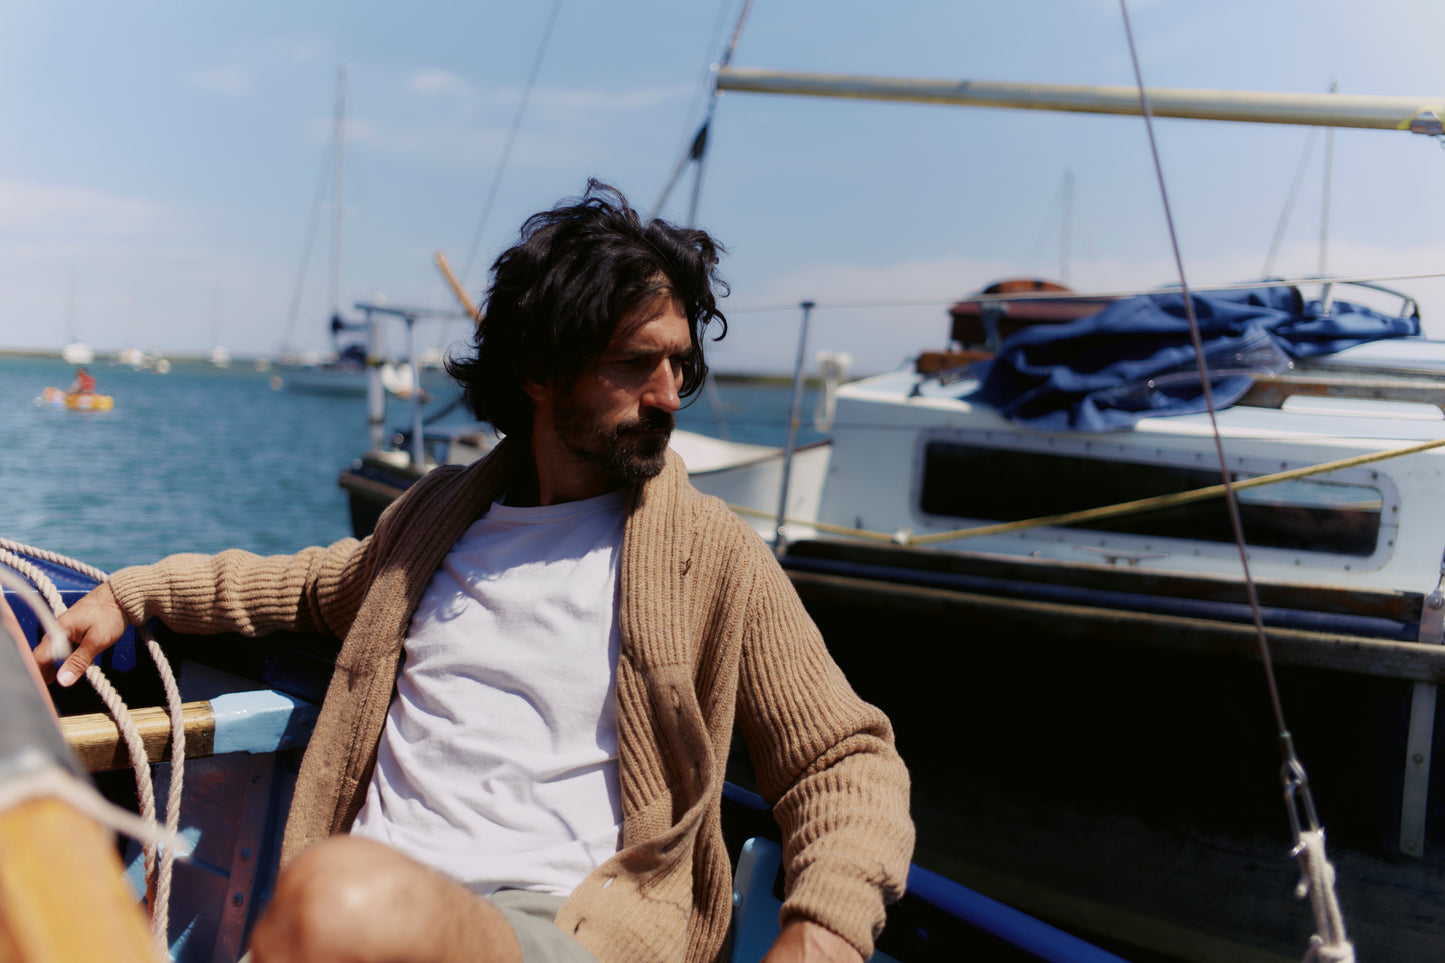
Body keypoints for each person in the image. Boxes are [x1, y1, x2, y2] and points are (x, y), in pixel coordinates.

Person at [42, 181, 913, 963]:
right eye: (633, 361)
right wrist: (133, 591)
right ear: (538, 371)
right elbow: (302, 585)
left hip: (560, 927)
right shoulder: (434, 520)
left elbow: (842, 756)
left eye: (678, 362)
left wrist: (822, 931)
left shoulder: (708, 554)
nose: (668, 394)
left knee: (330, 902)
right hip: (378, 905)